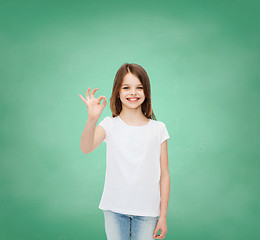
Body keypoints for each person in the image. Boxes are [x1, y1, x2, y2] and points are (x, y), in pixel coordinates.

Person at [79, 63, 171, 240]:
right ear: (118, 92)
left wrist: (163, 216)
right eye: (126, 87)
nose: (133, 93)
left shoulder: (158, 128)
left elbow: (164, 175)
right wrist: (92, 119)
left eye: (139, 88)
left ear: (146, 92)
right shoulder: (109, 124)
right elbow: (86, 148)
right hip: (114, 209)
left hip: (147, 211)